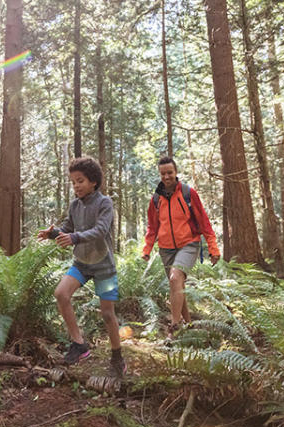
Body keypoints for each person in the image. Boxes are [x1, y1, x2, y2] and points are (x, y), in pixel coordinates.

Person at [38, 157, 125, 378]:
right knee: (61, 293)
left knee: (107, 314)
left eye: (80, 181)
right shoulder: (75, 205)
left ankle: (117, 358)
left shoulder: (104, 203)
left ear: (93, 182)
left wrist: (74, 237)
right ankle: (79, 344)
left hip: (104, 266)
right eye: (73, 182)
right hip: (81, 264)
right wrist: (53, 233)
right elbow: (68, 227)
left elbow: (100, 230)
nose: (76, 186)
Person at [142, 156, 221, 333]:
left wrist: (213, 248)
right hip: (166, 248)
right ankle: (189, 326)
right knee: (177, 285)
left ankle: (174, 326)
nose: (166, 176)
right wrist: (147, 248)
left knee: (175, 278)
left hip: (189, 244)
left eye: (169, 172)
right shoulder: (156, 199)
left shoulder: (187, 193)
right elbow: (152, 227)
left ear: (176, 172)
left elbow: (204, 221)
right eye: (163, 173)